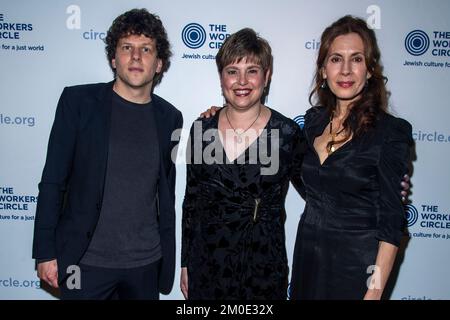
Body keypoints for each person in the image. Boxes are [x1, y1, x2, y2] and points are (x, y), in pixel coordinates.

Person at [32, 8, 183, 300]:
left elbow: (165, 189)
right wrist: (45, 251)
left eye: (146, 49)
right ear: (114, 59)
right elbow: (52, 180)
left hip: (145, 264)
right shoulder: (78, 103)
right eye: (127, 47)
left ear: (159, 64)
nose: (136, 56)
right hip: (84, 262)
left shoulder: (170, 118)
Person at [289, 15, 413, 300]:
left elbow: (392, 227)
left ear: (369, 70)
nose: (345, 70)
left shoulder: (389, 133)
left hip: (357, 269)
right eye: (335, 59)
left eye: (356, 59)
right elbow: (305, 182)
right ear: (322, 70)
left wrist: (374, 292)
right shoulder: (312, 123)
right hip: (308, 261)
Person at [180, 28, 304, 300]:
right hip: (207, 266)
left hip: (263, 271)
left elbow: (320, 193)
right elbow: (191, 201)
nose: (242, 81)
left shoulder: (287, 133)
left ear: (267, 75)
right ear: (221, 77)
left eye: (252, 70)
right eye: (232, 71)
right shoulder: (202, 129)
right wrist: (186, 262)